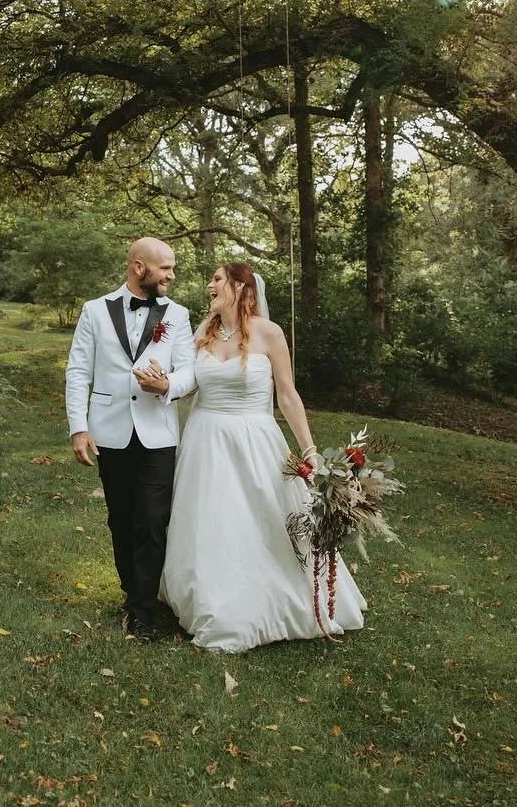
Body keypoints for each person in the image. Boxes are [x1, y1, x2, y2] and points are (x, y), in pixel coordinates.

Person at [159, 262, 366, 652]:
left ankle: (276, 597)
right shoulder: (202, 332)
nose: (210, 285)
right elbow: (186, 384)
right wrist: (163, 383)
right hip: (205, 440)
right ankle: (210, 597)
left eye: (217, 279)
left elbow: (287, 395)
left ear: (240, 287)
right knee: (212, 520)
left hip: (256, 439)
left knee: (265, 519)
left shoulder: (270, 334)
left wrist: (309, 451)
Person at [65, 237, 197, 640]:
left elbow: (191, 370)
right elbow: (78, 370)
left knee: (154, 520)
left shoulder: (177, 315)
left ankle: (143, 609)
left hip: (158, 433)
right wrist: (79, 426)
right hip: (110, 431)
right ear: (139, 267)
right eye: (165, 269)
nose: (171, 276)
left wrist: (167, 385)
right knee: (121, 518)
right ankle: (131, 592)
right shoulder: (94, 311)